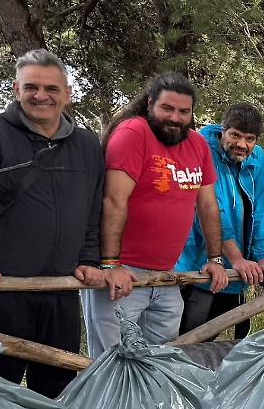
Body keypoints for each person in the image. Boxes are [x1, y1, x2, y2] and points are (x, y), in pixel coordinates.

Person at [0, 49, 104, 397]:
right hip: (2, 286)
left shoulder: (87, 144)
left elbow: (93, 208)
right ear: (16, 88)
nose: (41, 95)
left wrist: (89, 259)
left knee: (58, 384)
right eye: (31, 86)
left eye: (51, 88)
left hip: (60, 288)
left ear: (67, 94)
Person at [83, 72, 228, 357]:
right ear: (150, 104)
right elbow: (114, 200)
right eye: (167, 108)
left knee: (161, 365)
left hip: (165, 276)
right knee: (111, 366)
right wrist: (111, 265)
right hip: (123, 274)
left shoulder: (197, 145)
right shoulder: (134, 132)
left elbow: (208, 205)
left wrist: (215, 259)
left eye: (183, 112)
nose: (175, 118)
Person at [175, 103, 264, 339]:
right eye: (235, 135)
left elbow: (263, 208)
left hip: (237, 272)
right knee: (188, 338)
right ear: (223, 130)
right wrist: (236, 258)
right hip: (200, 266)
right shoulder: (201, 148)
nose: (242, 144)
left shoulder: (258, 158)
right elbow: (213, 208)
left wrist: (261, 256)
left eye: (250, 139)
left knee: (221, 337)